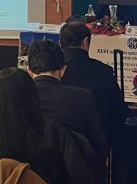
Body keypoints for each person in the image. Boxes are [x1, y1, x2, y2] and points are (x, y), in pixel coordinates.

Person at [28, 39, 107, 167]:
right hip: (72, 172)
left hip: (29, 172)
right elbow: (98, 143)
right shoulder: (82, 97)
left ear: (29, 71)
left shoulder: (18, 97)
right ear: (63, 70)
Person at [59, 19, 128, 144]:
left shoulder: (52, 71)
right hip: (94, 143)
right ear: (86, 42)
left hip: (55, 144)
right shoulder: (103, 71)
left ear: (60, 42)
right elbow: (119, 113)